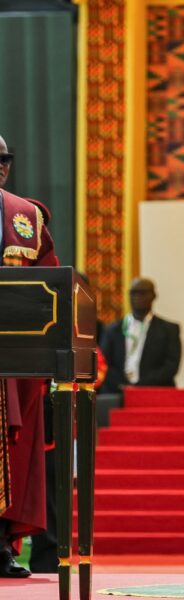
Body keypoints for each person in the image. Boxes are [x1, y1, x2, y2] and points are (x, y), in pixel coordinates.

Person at [0, 134, 58, 577]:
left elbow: (51, 285)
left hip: (12, 365)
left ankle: (1, 545)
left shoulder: (27, 217)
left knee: (13, 457)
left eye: (6, 158)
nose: (2, 165)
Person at [100, 277, 181, 394]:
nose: (137, 297)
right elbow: (104, 363)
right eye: (133, 293)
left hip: (156, 393)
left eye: (143, 293)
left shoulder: (169, 330)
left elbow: (171, 366)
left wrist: (140, 386)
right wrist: (123, 386)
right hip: (117, 393)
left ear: (153, 296)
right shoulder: (112, 330)